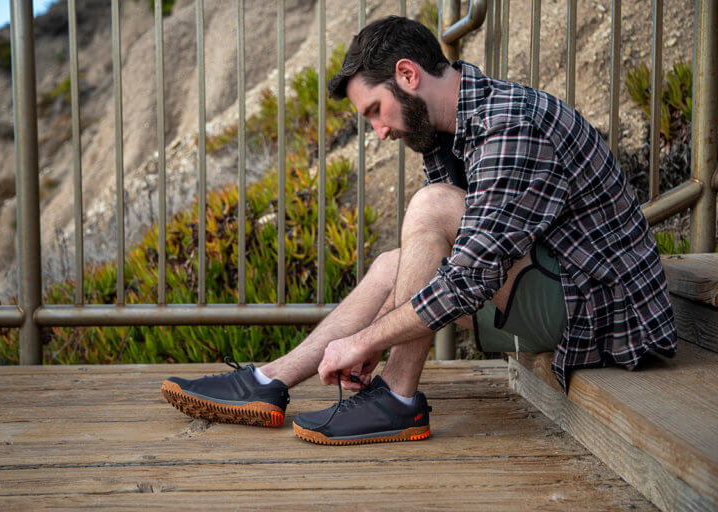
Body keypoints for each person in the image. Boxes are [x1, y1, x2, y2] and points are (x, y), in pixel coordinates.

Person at [161, 16, 676, 446]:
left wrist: (365, 342)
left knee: (432, 206)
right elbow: (439, 270)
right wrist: (371, 339)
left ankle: (397, 395)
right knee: (393, 264)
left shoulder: (510, 124)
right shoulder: (447, 134)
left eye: (375, 112)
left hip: (605, 318)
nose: (379, 131)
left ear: (407, 74)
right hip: (556, 292)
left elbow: (469, 278)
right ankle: (268, 381)